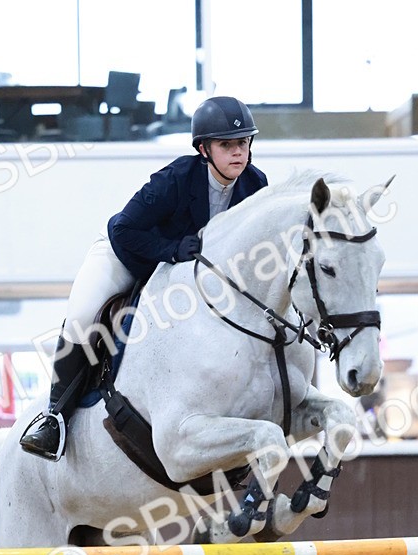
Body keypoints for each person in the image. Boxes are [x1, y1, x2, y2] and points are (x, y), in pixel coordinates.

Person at [20, 95, 268, 460]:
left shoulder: (255, 185)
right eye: (226, 145)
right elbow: (124, 229)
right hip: (125, 256)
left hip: (184, 276)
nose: (238, 153)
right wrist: (170, 249)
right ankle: (55, 417)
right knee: (83, 318)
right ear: (204, 149)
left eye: (243, 143)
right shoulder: (177, 179)